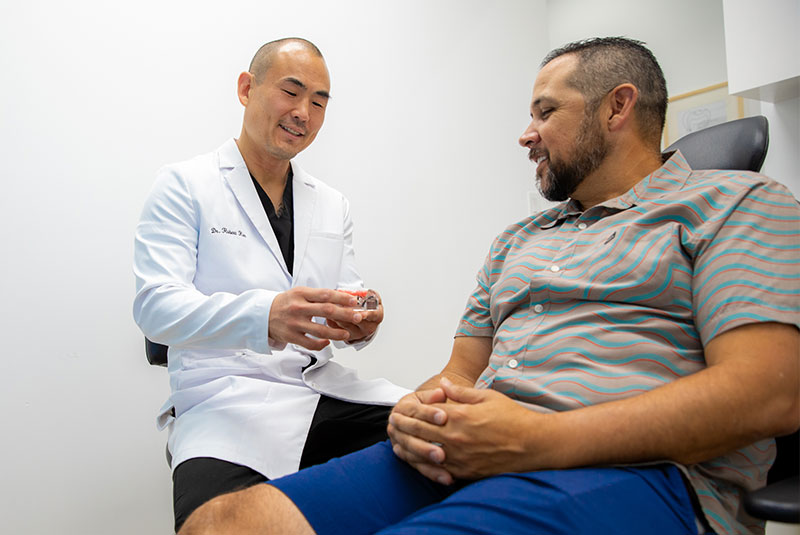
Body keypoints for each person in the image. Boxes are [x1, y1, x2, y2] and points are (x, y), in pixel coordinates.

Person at [178, 37, 800, 535]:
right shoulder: (519, 238)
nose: (525, 134)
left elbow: (766, 397)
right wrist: (415, 413)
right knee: (223, 522)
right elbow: (459, 373)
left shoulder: (735, 204)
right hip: (480, 450)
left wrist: (540, 439)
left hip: (642, 472)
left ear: (617, 107)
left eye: (546, 113)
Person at [132, 38, 409, 532]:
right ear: (246, 88)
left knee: (449, 441)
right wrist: (265, 316)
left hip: (317, 391)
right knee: (213, 526)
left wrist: (362, 319)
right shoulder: (184, 184)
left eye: (320, 102)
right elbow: (155, 307)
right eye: (291, 92)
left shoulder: (330, 203)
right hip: (221, 401)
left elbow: (346, 294)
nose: (304, 112)